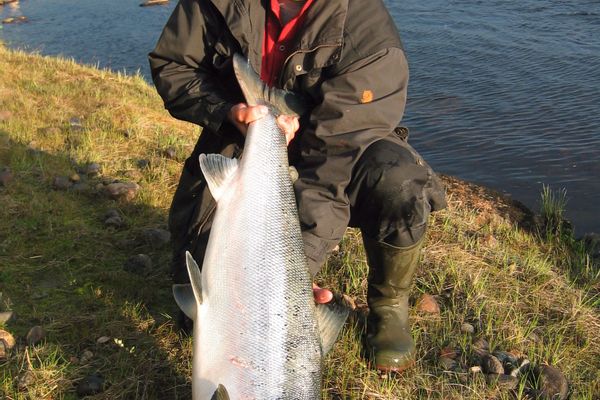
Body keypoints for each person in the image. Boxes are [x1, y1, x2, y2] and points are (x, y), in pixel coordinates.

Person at [149, 0, 446, 373]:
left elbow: (330, 168)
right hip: (242, 136)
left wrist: (290, 277)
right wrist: (228, 112)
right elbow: (173, 65)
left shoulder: (368, 31)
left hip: (336, 147)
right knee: (198, 319)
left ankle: (389, 306)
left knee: (399, 182)